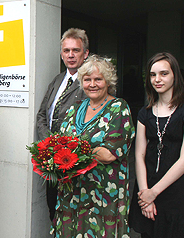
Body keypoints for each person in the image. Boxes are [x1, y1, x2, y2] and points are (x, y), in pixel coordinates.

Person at [52, 55, 135, 237]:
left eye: (98, 79)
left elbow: (108, 154)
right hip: (71, 193)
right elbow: (59, 144)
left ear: (108, 81)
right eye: (87, 79)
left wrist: (71, 153)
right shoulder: (75, 108)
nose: (92, 84)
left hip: (103, 195)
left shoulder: (118, 108)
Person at [129, 52, 184, 238]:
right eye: (152, 75)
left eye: (163, 73)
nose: (157, 79)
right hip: (147, 186)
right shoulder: (145, 114)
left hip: (177, 190)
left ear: (175, 75)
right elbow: (139, 155)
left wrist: (154, 193)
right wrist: (145, 195)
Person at [36, 28, 89, 221]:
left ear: (86, 54)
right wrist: (49, 145)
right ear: (61, 54)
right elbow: (42, 114)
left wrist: (67, 150)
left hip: (75, 164)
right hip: (51, 161)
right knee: (54, 210)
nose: (71, 55)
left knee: (74, 215)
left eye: (76, 50)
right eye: (66, 51)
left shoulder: (90, 83)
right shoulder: (57, 80)